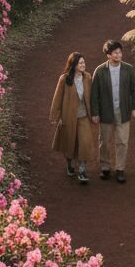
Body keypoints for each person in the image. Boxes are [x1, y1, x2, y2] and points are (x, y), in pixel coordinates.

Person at [90, 39, 135, 183]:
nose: (118, 55)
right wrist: (95, 113)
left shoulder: (128, 69)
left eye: (120, 52)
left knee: (122, 141)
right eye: (115, 53)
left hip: (123, 111)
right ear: (108, 55)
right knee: (104, 141)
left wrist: (134, 108)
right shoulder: (100, 71)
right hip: (106, 112)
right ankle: (105, 168)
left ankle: (120, 169)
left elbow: (133, 90)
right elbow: (94, 94)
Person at [49, 51, 96, 184]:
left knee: (85, 143)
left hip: (83, 116)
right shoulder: (64, 79)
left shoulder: (87, 77)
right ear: (73, 64)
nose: (83, 64)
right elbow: (57, 98)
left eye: (84, 62)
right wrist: (57, 116)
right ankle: (70, 164)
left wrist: (95, 113)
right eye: (80, 62)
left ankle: (82, 170)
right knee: (69, 143)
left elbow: (92, 97)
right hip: (68, 116)